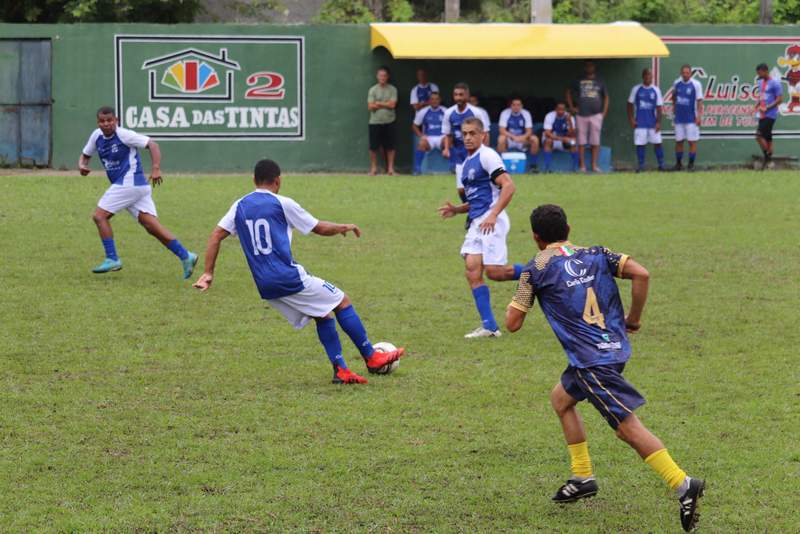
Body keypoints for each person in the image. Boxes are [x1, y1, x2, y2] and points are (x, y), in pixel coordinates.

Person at [505, 204, 705, 533]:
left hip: (591, 362)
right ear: (568, 229)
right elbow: (642, 273)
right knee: (561, 399)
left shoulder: (536, 268)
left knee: (626, 428)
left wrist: (525, 291)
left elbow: (512, 324)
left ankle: (683, 485)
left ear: (536, 238)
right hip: (614, 348)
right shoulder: (598, 254)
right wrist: (634, 319)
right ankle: (582, 476)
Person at [192, 159, 404, 384]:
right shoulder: (282, 203)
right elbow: (319, 227)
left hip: (264, 284)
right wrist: (343, 227)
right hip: (288, 277)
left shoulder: (239, 205)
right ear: (278, 180)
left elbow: (215, 236)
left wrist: (208, 273)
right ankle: (371, 356)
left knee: (321, 313)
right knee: (342, 301)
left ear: (253, 180)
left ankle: (341, 370)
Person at [78, 106, 197, 277]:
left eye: (110, 120)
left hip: (130, 182)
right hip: (136, 187)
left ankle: (112, 258)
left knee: (99, 216)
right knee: (152, 227)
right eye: (102, 121)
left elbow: (153, 145)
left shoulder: (124, 135)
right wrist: (82, 165)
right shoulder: (96, 135)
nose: (106, 124)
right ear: (98, 122)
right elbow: (85, 155)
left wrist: (156, 168)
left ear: (116, 121)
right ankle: (186, 256)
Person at [438, 118, 524, 339]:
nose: (467, 137)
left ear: (483, 135)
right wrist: (457, 210)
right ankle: (489, 326)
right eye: (464, 133)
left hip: (491, 220)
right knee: (472, 270)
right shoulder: (466, 164)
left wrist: (493, 215)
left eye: (472, 133)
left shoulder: (487, 155)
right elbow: (478, 198)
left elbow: (509, 185)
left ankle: (539, 272)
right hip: (477, 221)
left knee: (495, 272)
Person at [566, 61, 609, 173]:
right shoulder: (579, 80)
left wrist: (603, 113)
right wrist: (571, 107)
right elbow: (568, 92)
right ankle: (582, 166)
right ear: (585, 68)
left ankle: (594, 166)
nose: (589, 68)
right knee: (581, 142)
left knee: (595, 141)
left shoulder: (600, 80)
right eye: (587, 66)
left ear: (594, 67)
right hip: (581, 115)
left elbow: (606, 98)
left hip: (596, 115)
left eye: (591, 65)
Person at [442, 83, 490, 170]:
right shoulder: (448, 113)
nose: (458, 98)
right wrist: (446, 149)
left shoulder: (476, 112)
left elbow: (485, 132)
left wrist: (484, 151)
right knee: (460, 180)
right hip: (457, 150)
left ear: (467, 96)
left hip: (473, 149)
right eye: (456, 95)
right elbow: (447, 134)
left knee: (474, 178)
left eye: (461, 95)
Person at [627, 68, 665, 172]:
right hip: (640, 122)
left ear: (652, 77)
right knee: (640, 144)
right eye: (646, 75)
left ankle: (661, 165)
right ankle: (641, 166)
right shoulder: (636, 89)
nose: (648, 77)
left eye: (650, 75)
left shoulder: (656, 90)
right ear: (643, 76)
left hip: (653, 123)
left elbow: (659, 108)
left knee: (658, 143)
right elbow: (629, 104)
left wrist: (658, 122)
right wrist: (631, 119)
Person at [671, 64, 704, 171]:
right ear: (681, 73)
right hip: (679, 118)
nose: (685, 75)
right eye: (683, 73)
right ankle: (678, 164)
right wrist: (674, 109)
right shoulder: (676, 83)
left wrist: (699, 116)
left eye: (687, 73)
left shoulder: (696, 84)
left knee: (692, 142)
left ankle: (690, 165)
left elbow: (699, 101)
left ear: (690, 73)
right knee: (679, 141)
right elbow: (674, 97)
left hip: (691, 118)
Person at [367, 66, 398, 175]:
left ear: (388, 77)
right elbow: (370, 106)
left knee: (390, 146)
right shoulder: (372, 90)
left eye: (384, 75)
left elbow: (392, 105)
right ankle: (374, 169)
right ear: (377, 76)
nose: (382, 78)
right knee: (373, 147)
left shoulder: (393, 89)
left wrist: (378, 103)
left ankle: (390, 169)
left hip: (390, 121)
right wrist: (385, 104)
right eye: (380, 75)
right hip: (374, 122)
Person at [498, 97, 540, 171]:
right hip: (509, 139)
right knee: (501, 138)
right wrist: (513, 137)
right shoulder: (505, 113)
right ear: (510, 106)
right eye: (514, 105)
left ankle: (533, 165)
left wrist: (522, 138)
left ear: (521, 106)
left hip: (523, 140)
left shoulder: (526, 113)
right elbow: (502, 130)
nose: (516, 107)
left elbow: (529, 131)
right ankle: (501, 165)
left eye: (518, 105)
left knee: (535, 139)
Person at [754, 62, 783, 170]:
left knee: (758, 135)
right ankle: (769, 163)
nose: (759, 75)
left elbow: (780, 99)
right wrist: (756, 104)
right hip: (761, 114)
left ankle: (768, 159)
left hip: (770, 115)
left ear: (766, 71)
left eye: (760, 73)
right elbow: (761, 96)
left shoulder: (775, 83)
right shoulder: (761, 82)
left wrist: (768, 107)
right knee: (768, 138)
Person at [412, 91, 446, 175]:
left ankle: (453, 167)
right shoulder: (423, 111)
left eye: (436, 99)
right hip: (429, 137)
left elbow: (452, 125)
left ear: (440, 100)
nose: (434, 101)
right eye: (432, 99)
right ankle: (417, 169)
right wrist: (421, 135)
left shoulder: (446, 111)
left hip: (442, 137)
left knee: (449, 141)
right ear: (429, 101)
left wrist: (448, 136)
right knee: (421, 143)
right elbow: (414, 125)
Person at [541, 102, 579, 173]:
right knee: (548, 141)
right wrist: (563, 139)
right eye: (559, 109)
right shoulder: (550, 115)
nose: (561, 111)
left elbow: (572, 134)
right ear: (555, 109)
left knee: (573, 142)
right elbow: (547, 133)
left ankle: (575, 168)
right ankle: (547, 168)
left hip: (563, 140)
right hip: (552, 139)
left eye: (563, 109)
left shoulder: (569, 117)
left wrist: (569, 121)